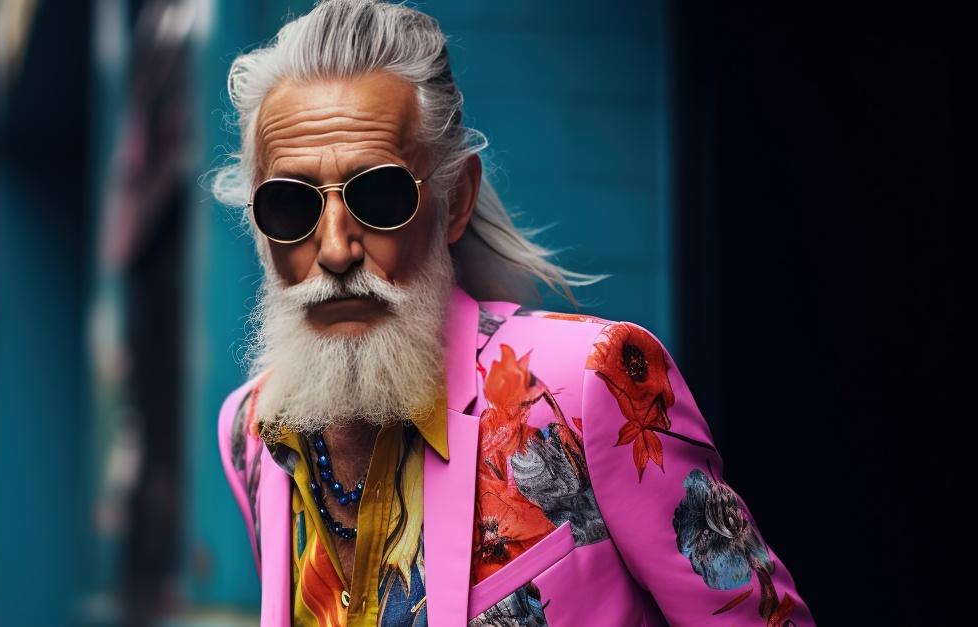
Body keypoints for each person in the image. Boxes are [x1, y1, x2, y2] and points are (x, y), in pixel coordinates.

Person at [209, 1, 814, 625]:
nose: (335, 249)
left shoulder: (590, 383)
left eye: (380, 194)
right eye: (288, 205)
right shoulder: (248, 430)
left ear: (456, 200)